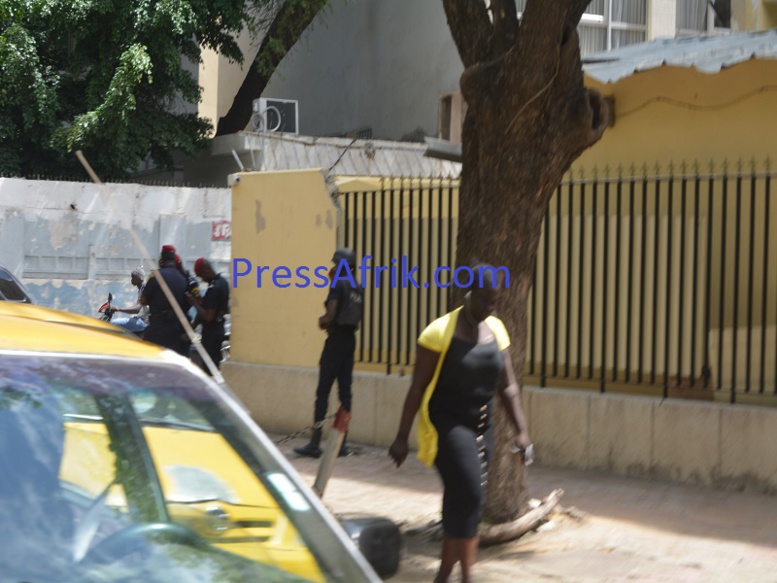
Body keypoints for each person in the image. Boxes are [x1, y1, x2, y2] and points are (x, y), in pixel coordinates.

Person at [388, 265, 533, 583]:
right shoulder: (439, 332)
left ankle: (442, 576)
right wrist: (401, 437)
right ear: (468, 294)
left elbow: (507, 386)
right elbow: (418, 387)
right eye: (485, 300)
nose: (491, 308)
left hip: (483, 427)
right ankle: (468, 577)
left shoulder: (496, 329)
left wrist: (522, 431)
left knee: (460, 498)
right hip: (446, 425)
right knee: (470, 494)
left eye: (495, 301)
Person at [294, 248, 363, 459]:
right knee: (345, 393)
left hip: (335, 342)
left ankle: (315, 442)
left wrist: (322, 321)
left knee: (323, 391)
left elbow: (331, 314)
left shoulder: (338, 284)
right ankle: (341, 443)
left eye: (336, 264)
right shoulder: (358, 287)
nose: (333, 267)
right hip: (350, 340)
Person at [139, 244, 190, 356]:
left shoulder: (156, 275)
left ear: (161, 259)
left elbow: (143, 301)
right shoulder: (182, 278)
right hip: (176, 329)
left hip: (158, 326)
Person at [189, 257, 230, 374]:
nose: (202, 279)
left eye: (201, 276)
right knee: (214, 367)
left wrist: (195, 303)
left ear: (206, 270)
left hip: (211, 335)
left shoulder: (214, 288)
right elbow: (222, 307)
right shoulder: (223, 282)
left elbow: (208, 316)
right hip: (219, 329)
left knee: (209, 370)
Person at [111, 267, 150, 335]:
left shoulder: (144, 289)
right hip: (140, 320)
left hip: (143, 322)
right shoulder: (142, 289)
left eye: (133, 277)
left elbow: (136, 309)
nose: (131, 280)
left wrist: (118, 309)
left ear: (138, 278)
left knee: (114, 323)